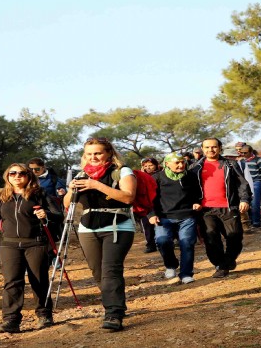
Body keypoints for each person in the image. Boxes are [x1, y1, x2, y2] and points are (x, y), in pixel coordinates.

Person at [0, 163, 63, 333]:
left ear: (29, 176)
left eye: (22, 173)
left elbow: (58, 215)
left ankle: (44, 315)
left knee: (39, 280)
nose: (17, 176)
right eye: (12, 173)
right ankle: (11, 320)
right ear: (7, 176)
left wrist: (47, 214)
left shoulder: (40, 194)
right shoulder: (2, 196)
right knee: (12, 282)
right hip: (10, 244)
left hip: (36, 243)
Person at [65, 137, 136, 331]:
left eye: (97, 153)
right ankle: (115, 304)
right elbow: (67, 204)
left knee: (110, 269)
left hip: (117, 226)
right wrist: (71, 190)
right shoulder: (81, 174)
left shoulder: (121, 171)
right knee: (98, 272)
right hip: (87, 228)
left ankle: (113, 314)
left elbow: (128, 196)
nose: (93, 157)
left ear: (108, 153)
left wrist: (96, 185)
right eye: (89, 154)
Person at [190, 138, 251, 278]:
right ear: (202, 149)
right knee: (211, 237)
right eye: (207, 147)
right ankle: (221, 265)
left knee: (235, 236)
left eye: (214, 147)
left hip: (229, 207)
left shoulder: (230, 164)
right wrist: (194, 202)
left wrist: (244, 199)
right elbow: (190, 189)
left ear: (220, 148)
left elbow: (242, 183)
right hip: (206, 210)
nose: (210, 150)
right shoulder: (195, 167)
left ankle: (229, 260)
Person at [148, 153, 202, 284]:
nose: (180, 165)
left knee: (187, 243)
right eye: (176, 162)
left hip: (187, 216)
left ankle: (186, 274)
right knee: (162, 241)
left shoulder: (191, 176)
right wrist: (151, 214)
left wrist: (197, 202)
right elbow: (149, 199)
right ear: (167, 164)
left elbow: (198, 193)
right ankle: (171, 265)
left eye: (182, 162)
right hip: (163, 217)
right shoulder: (157, 178)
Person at [27, 158, 66, 267]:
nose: (34, 171)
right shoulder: (26, 179)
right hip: (31, 212)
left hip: (50, 212)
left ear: (43, 167)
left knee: (50, 235)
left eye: (37, 169)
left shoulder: (53, 179)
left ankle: (53, 257)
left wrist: (61, 193)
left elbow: (61, 192)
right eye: (31, 169)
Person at [238, 145, 261, 228]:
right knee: (247, 203)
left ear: (251, 152)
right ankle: (250, 221)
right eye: (242, 153)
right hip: (245, 184)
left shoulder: (259, 160)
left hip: (256, 182)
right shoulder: (242, 161)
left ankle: (256, 222)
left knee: (255, 203)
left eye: (245, 152)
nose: (243, 154)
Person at [139, 157, 161, 253]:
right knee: (147, 226)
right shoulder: (140, 177)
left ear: (156, 165)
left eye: (151, 165)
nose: (148, 167)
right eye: (146, 166)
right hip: (145, 205)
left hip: (160, 203)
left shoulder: (161, 175)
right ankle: (150, 244)